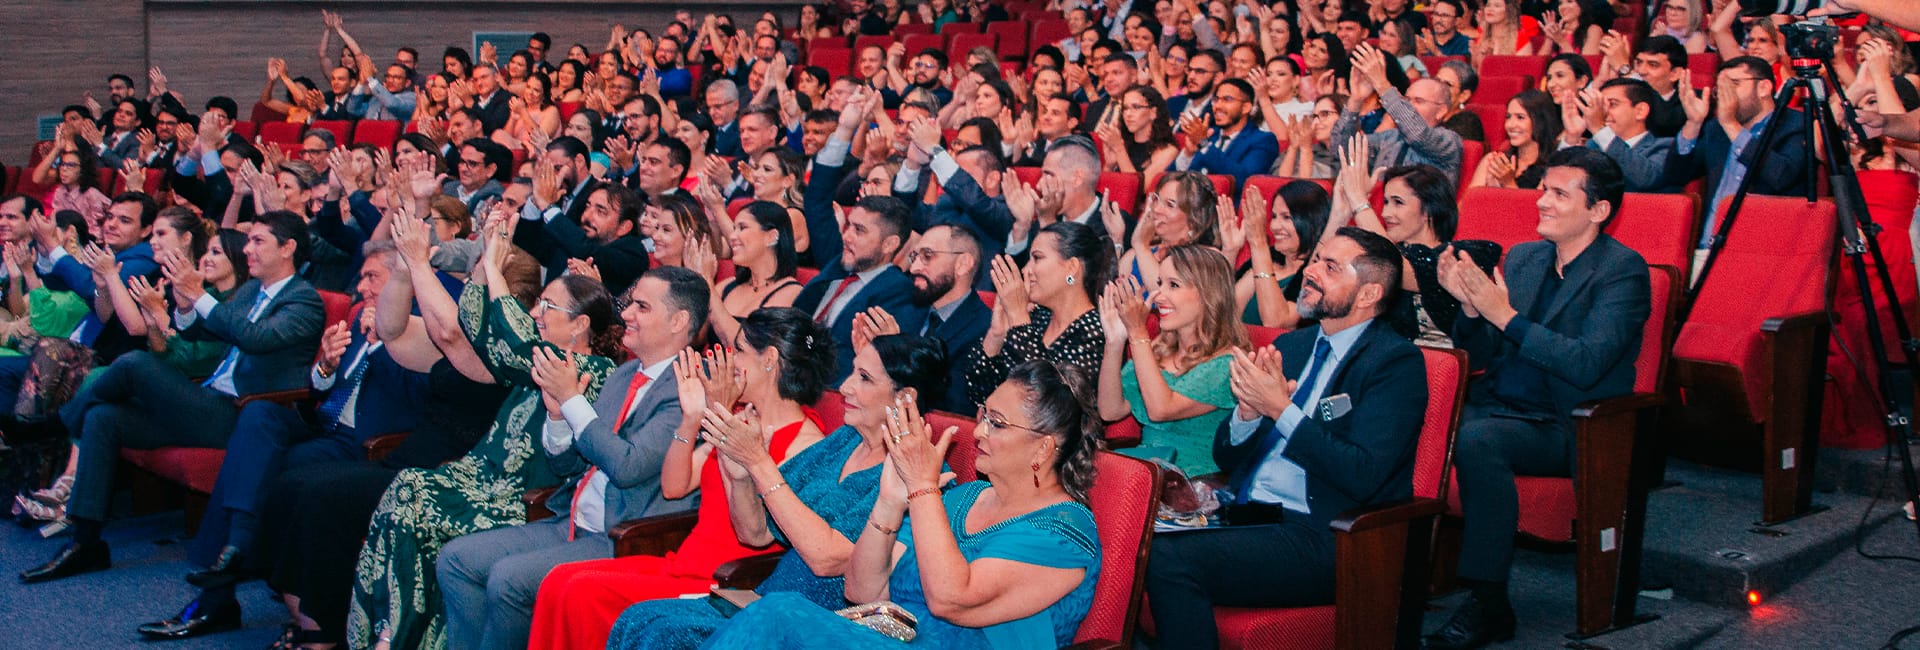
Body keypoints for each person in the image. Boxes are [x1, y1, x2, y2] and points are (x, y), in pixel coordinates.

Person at [246, 217, 536, 649]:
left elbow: (451, 334)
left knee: (320, 496)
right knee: (294, 483)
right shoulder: (470, 337)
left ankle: (321, 632)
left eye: (479, 275)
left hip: (442, 477)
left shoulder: (517, 351)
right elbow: (392, 328)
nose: (467, 286)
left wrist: (420, 261)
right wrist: (403, 270)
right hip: (408, 460)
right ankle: (314, 618)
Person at [347, 212, 623, 650]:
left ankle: (397, 637)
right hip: (481, 475)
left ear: (581, 325)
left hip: (521, 494)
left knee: (414, 497)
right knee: (409, 486)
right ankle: (393, 630)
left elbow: (511, 343)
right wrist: (483, 265)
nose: (536, 313)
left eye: (547, 308)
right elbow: (479, 332)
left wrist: (494, 268)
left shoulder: (590, 367)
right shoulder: (540, 357)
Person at [694, 358, 1104, 650]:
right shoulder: (965, 497)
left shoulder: (1065, 531)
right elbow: (862, 589)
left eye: (997, 423)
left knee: (780, 616)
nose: (977, 431)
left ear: (1044, 446)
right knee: (780, 614)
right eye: (983, 415)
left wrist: (923, 487)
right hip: (889, 637)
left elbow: (949, 598)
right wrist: (890, 503)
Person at [1144, 226, 1427, 647]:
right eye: (1316, 260)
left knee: (1168, 558)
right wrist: (1246, 414)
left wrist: (1281, 410)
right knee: (1135, 527)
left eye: (1330, 268)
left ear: (1368, 295)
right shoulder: (1293, 346)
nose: (1311, 272)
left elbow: (1364, 475)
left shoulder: (1395, 365)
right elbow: (1227, 456)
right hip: (1248, 512)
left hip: (1324, 534)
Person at [136, 242, 428, 641]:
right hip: (323, 426)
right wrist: (325, 367)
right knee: (258, 418)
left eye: (371, 277)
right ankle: (235, 551)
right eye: (361, 277)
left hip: (366, 445)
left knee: (260, 469)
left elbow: (417, 399)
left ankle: (219, 589)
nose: (361, 288)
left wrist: (385, 343)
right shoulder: (359, 319)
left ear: (400, 281)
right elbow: (323, 388)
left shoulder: (418, 329)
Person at [1424, 147, 1651, 650]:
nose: (1542, 202)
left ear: (1598, 211)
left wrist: (1502, 315)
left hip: (1570, 423)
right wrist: (1469, 307)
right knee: (1411, 412)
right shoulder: (1525, 258)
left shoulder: (1622, 272)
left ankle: (1488, 602)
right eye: (1543, 190)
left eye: (1558, 194)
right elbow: (1480, 351)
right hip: (1500, 401)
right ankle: (1397, 574)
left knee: (1479, 440)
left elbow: (1587, 363)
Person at [20, 211, 325, 584]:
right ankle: (86, 543)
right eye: (249, 240)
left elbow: (254, 338)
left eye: (258, 241)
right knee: (104, 419)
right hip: (207, 401)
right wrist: (183, 305)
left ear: (288, 248)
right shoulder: (251, 291)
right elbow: (204, 332)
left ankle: (54, 423)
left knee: (134, 363)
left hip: (243, 417)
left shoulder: (304, 300)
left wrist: (199, 296)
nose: (247, 249)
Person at [592, 333, 945, 650]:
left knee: (664, 635)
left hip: (823, 619)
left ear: (906, 396)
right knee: (638, 618)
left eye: (864, 378)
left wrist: (759, 462)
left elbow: (827, 559)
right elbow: (756, 534)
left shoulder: (916, 471)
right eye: (852, 372)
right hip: (765, 596)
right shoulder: (844, 440)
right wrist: (742, 475)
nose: (846, 387)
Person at [435, 266, 715, 650]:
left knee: (508, 579)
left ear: (678, 321)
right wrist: (558, 418)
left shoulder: (688, 387)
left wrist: (572, 401)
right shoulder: (625, 373)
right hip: (571, 517)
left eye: (642, 307)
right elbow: (569, 466)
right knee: (456, 560)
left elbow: (627, 467)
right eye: (630, 303)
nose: (626, 314)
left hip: (624, 534)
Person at [1099, 244, 1245, 477]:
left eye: (1173, 285)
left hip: (1190, 491)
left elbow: (1160, 409)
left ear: (1208, 294)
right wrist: (1115, 342)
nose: (1158, 296)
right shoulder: (1160, 348)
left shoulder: (1226, 364)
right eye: (1159, 284)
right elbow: (1110, 410)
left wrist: (1137, 332)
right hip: (1144, 477)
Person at [1329, 151, 1501, 346]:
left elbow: (1394, 267)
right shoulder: (1381, 256)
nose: (1385, 213)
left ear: (1429, 208)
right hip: (1384, 364)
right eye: (1385, 202)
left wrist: (1358, 202)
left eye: (1398, 203)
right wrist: (1340, 214)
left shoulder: (1461, 255)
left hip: (1442, 369)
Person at [1667, 55, 1808, 261]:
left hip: (1765, 252)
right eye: (1720, 89)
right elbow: (1674, 176)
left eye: (1733, 85)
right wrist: (1693, 124)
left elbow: (1781, 177)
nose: (1725, 96)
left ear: (1764, 88)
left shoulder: (1796, 124)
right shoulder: (1715, 128)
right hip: (1709, 247)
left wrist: (1732, 126)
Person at [966, 222, 1113, 407]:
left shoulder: (1099, 331)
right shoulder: (1037, 318)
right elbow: (978, 393)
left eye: (1037, 258)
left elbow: (1050, 402)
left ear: (1072, 268)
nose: (1026, 270)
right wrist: (997, 334)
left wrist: (1019, 316)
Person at [794, 194, 925, 387]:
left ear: (889, 244)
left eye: (859, 230)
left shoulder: (899, 292)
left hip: (824, 391)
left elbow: (856, 365)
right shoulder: (840, 265)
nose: (846, 236)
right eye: (848, 226)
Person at [1333, 44, 1465, 182]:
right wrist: (1355, 101)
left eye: (1419, 101)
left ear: (1441, 111)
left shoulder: (1449, 141)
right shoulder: (1391, 138)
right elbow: (1342, 151)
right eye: (1407, 100)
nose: (1410, 106)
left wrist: (1381, 83)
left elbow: (1418, 135)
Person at [516, 168, 650, 294]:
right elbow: (529, 246)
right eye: (588, 206)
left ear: (624, 227)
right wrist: (536, 199)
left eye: (600, 211)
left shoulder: (633, 255)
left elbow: (588, 251)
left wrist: (547, 206)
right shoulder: (573, 239)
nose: (587, 216)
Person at [1236, 180, 1333, 328]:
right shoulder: (1268, 259)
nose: (1274, 226)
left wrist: (1258, 243)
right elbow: (1223, 314)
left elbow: (1276, 322)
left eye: (1287, 217)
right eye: (1274, 216)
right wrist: (1230, 251)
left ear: (1311, 221)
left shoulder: (1314, 275)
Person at [1562, 78, 1678, 193]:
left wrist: (1599, 128)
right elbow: (1560, 186)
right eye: (1601, 106)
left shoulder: (1667, 147)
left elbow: (1645, 179)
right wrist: (1572, 136)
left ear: (1640, 111)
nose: (1603, 113)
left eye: (1612, 104)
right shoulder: (1592, 146)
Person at [1119, 171, 1221, 289]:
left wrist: (1141, 247)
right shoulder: (1134, 255)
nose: (1156, 209)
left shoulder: (1208, 261)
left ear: (1194, 219)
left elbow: (1167, 297)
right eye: (1156, 199)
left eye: (1169, 205)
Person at [1174, 79, 1280, 185]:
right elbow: (1173, 178)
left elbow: (1246, 180)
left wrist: (1204, 144)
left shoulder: (1263, 140)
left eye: (1227, 99)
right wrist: (1188, 153)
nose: (1218, 106)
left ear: (1245, 108)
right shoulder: (1210, 134)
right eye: (1216, 100)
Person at [1469, 90, 1564, 190]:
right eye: (1508, 117)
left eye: (1520, 117)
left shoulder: (1553, 166)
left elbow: (1535, 205)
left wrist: (1509, 184)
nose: (1510, 125)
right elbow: (1467, 203)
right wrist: (1488, 191)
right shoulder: (1495, 161)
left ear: (1541, 122)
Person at [1096, 86, 1180, 190]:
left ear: (1153, 112)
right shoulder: (1123, 143)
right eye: (1125, 108)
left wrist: (1119, 150)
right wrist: (1109, 166)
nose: (1128, 114)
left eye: (1136, 107)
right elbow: (1101, 190)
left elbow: (1137, 190)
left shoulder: (1167, 151)